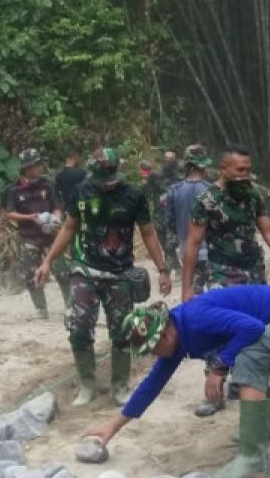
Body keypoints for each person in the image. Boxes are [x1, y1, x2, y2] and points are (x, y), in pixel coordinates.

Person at [83, 286, 270, 478]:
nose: (153, 356)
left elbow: (252, 328)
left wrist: (218, 367)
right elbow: (152, 384)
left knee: (248, 359)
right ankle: (268, 427)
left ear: (163, 336)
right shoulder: (177, 336)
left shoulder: (195, 319)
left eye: (151, 350)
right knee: (242, 356)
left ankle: (252, 457)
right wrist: (114, 426)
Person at [35, 147, 172, 407]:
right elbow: (69, 227)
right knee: (78, 327)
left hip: (120, 274)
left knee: (122, 331)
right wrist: (47, 261)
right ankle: (87, 385)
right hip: (85, 269)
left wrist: (162, 269)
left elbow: (148, 233)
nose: (107, 185)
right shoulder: (82, 192)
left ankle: (119, 386)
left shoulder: (134, 195)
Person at [181, 143, 270, 417]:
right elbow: (192, 244)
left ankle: (243, 381)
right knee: (218, 330)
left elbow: (269, 230)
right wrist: (187, 287)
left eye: (248, 169)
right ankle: (213, 394)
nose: (245, 174)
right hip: (222, 272)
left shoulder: (252, 195)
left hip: (253, 271)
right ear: (224, 168)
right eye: (240, 169)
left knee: (255, 327)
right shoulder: (207, 200)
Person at [2, 148, 68, 318]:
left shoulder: (48, 185)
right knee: (31, 275)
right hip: (28, 238)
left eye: (40, 164)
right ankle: (41, 309)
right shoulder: (13, 190)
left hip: (51, 237)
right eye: (37, 164)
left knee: (62, 271)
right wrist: (30, 217)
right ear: (28, 168)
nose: (40, 167)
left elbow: (57, 207)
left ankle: (71, 306)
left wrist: (55, 219)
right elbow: (8, 214)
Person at [164, 146, 213, 298]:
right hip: (210, 252)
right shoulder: (210, 191)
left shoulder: (174, 191)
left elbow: (170, 226)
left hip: (185, 252)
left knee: (190, 295)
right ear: (204, 166)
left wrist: (167, 265)